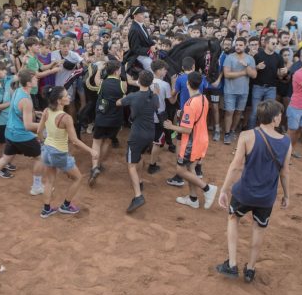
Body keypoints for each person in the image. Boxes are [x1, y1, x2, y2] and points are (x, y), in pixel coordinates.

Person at [217, 99, 291, 282]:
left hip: (244, 192)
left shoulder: (247, 136)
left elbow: (235, 167)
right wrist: (287, 195)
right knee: (259, 229)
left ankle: (232, 264)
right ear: (274, 119)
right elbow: (285, 173)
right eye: (279, 115)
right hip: (267, 197)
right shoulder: (286, 142)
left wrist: (224, 190)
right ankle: (250, 269)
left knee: (233, 218)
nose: (281, 117)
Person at [0, 69, 44, 195]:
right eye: (35, 78)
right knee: (40, 158)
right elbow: (28, 125)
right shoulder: (26, 100)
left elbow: (19, 112)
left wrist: (34, 113)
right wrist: (45, 124)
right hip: (22, 135)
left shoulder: (18, 91)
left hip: (10, 132)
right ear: (29, 83)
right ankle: (36, 187)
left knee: (5, 158)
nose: (37, 79)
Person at [37, 86, 98, 218]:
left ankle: (46, 210)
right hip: (59, 153)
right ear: (59, 101)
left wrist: (44, 142)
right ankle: (66, 205)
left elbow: (39, 132)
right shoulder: (66, 118)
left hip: (47, 151)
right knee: (78, 178)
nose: (69, 97)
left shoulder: (46, 111)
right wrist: (91, 150)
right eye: (66, 95)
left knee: (49, 181)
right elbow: (74, 141)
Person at [163, 72, 217, 210]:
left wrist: (171, 126)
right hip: (201, 139)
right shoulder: (204, 98)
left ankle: (207, 188)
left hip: (191, 142)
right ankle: (193, 199)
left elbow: (186, 130)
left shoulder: (189, 104)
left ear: (188, 84)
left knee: (180, 170)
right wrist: (184, 115)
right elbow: (197, 117)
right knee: (190, 168)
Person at [116, 70, 159, 213]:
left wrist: (124, 96)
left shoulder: (133, 96)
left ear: (138, 82)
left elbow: (118, 103)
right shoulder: (154, 97)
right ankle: (140, 182)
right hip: (150, 134)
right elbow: (156, 106)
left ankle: (138, 196)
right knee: (139, 156)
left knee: (131, 165)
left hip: (137, 135)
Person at [88, 60, 126, 186]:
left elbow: (96, 79)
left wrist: (99, 69)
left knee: (96, 142)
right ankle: (99, 165)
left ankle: (94, 167)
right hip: (115, 120)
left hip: (101, 118)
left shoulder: (102, 83)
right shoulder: (123, 84)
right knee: (107, 141)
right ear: (116, 71)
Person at [222, 37, 257, 144]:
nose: (238, 47)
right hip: (230, 90)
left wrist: (246, 67)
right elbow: (227, 74)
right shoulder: (229, 57)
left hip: (243, 91)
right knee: (229, 112)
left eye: (240, 45)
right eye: (236, 45)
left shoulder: (250, 59)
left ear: (245, 46)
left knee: (238, 112)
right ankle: (227, 133)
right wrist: (243, 73)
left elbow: (254, 75)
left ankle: (232, 131)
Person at [248, 35, 286, 129]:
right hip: (258, 86)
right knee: (254, 112)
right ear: (266, 43)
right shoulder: (258, 56)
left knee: (269, 112)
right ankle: (250, 131)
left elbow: (280, 75)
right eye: (273, 43)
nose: (275, 45)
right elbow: (250, 71)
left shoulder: (278, 57)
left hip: (271, 88)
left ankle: (265, 132)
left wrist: (283, 72)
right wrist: (257, 67)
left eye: (276, 43)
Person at [124, 6, 156, 73]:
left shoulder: (141, 25)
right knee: (153, 69)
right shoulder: (134, 29)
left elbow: (148, 38)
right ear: (135, 15)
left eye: (143, 13)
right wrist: (149, 50)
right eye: (141, 14)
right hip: (139, 56)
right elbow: (135, 49)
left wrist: (153, 44)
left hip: (146, 53)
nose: (143, 16)